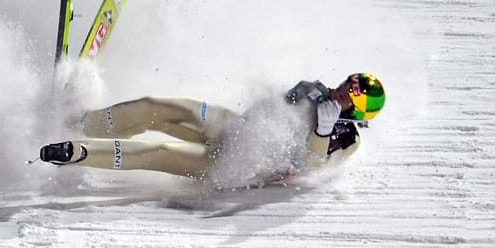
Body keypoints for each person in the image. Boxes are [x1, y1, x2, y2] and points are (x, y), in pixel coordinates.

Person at [39, 73, 386, 185]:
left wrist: (322, 133)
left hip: (236, 165)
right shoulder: (314, 89)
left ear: (359, 109)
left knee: (159, 154)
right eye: (348, 81)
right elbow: (269, 108)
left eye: (353, 92)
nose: (343, 90)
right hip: (234, 127)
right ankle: (83, 121)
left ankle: (74, 152)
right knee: (160, 108)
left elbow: (309, 166)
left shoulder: (348, 140)